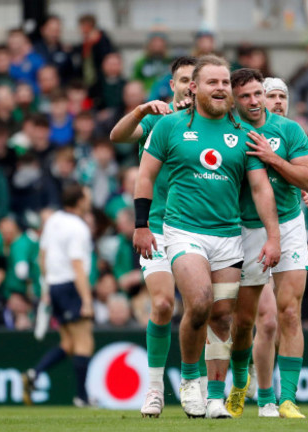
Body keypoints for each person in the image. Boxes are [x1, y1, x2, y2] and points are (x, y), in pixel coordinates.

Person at [133, 55, 280, 420]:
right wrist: (140, 224)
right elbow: (145, 175)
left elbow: (261, 190)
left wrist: (273, 237)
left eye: (225, 83)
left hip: (228, 236)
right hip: (183, 231)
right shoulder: (169, 127)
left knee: (222, 316)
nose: (220, 88)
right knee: (198, 302)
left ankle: (215, 397)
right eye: (212, 82)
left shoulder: (244, 135)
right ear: (194, 87)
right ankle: (187, 380)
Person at [227, 71, 308, 419]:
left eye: (259, 94)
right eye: (249, 95)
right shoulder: (230, 131)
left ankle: (287, 399)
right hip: (244, 229)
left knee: (290, 312)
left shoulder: (289, 131)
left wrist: (273, 158)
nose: (256, 101)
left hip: (290, 223)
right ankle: (241, 384)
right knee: (245, 321)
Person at [109, 55, 197, 418]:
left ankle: (199, 385)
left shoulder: (219, 123)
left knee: (202, 307)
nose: (189, 86)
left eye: (196, 79)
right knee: (163, 305)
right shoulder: (158, 122)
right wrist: (142, 109)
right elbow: (116, 137)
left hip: (200, 228)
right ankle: (155, 388)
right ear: (172, 86)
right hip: (159, 227)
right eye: (183, 80)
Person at [22, 184, 94, 407]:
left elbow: (42, 257)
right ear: (79, 200)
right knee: (84, 342)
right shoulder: (78, 227)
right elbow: (78, 265)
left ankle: (34, 374)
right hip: (70, 286)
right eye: (86, 195)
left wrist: (46, 288)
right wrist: (87, 300)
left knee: (68, 343)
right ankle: (81, 397)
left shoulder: (52, 220)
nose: (89, 199)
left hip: (54, 286)